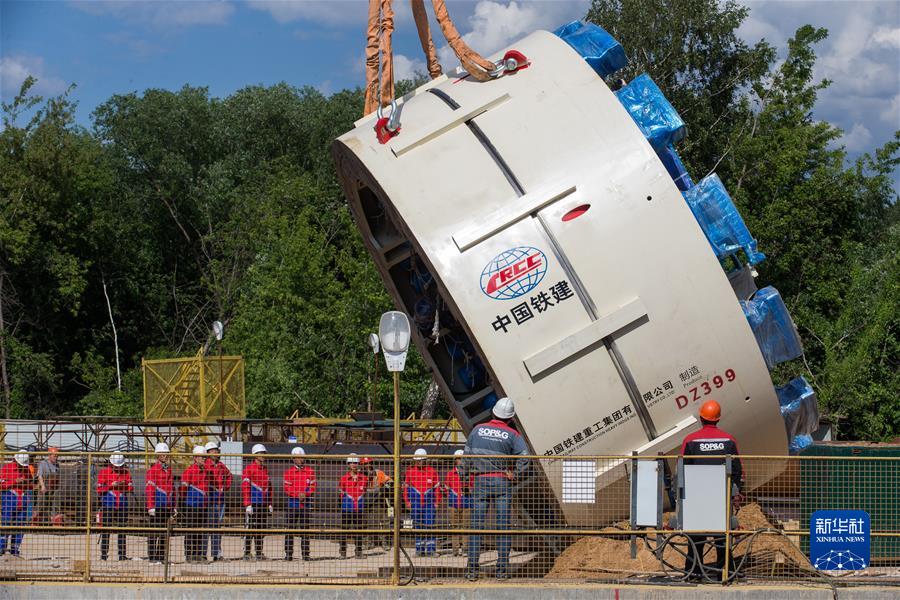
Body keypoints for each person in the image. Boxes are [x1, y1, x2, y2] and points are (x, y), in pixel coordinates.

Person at [463, 397, 529, 580]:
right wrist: (515, 473)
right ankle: (501, 572)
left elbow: (466, 457)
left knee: (476, 528)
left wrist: (464, 479)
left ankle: (472, 571)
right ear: (510, 418)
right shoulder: (513, 435)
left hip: (480, 481)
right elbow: (525, 457)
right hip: (501, 482)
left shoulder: (477, 430)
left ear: (493, 412)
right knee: (503, 528)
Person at [679, 399, 743, 580]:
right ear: (718, 418)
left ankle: (693, 574)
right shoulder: (728, 440)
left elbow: (681, 470)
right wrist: (736, 494)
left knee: (695, 540)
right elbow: (738, 470)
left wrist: (681, 498)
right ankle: (725, 574)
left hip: (697, 501)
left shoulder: (690, 440)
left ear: (701, 418)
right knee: (722, 540)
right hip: (720, 501)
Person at [403, 448, 441, 556]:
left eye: (421, 460)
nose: (419, 462)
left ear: (425, 460)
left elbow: (437, 488)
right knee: (418, 526)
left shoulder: (432, 472)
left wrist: (437, 502)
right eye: (417, 461)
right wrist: (407, 502)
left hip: (429, 504)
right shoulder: (410, 472)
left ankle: (431, 550)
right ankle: (419, 550)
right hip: (415, 504)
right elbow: (406, 488)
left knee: (429, 526)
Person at [96, 453, 133, 561]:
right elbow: (99, 489)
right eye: (116, 466)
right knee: (106, 530)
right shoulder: (104, 472)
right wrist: (111, 485)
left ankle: (122, 555)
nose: (118, 468)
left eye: (120, 466)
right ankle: (104, 554)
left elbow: (131, 488)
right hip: (108, 505)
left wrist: (123, 485)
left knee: (122, 531)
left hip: (122, 505)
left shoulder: (126, 473)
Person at [283, 446, 316, 561]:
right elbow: (287, 488)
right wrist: (297, 494)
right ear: (293, 459)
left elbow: (313, 486)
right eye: (297, 457)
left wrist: (306, 494)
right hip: (292, 505)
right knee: (290, 530)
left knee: (305, 530)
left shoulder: (310, 472)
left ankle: (306, 554)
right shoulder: (289, 472)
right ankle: (288, 554)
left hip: (305, 506)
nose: (300, 459)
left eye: (301, 457)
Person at [145, 442, 175, 565]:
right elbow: (150, 489)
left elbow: (172, 489)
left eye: (166, 454)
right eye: (162, 454)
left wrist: (173, 506)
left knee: (164, 533)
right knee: (154, 532)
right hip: (157, 506)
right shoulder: (153, 471)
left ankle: (161, 557)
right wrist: (150, 506)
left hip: (166, 506)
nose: (165, 456)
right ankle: (152, 557)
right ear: (157, 455)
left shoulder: (168, 470)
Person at [242, 443, 272, 561]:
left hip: (263, 504)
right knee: (250, 528)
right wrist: (248, 504)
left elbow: (269, 488)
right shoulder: (249, 469)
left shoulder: (265, 470)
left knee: (261, 528)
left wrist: (269, 503)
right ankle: (247, 553)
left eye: (264, 453)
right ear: (255, 455)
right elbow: (245, 487)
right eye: (261, 453)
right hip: (253, 503)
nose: (263, 455)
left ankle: (259, 553)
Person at [0, 453, 33, 557]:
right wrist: (15, 481)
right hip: (9, 498)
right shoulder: (7, 468)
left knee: (20, 525)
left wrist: (27, 485)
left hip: (22, 499)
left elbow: (30, 484)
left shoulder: (26, 469)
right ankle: (1, 549)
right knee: (6, 524)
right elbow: (1, 484)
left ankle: (14, 550)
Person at [203, 440, 232, 561]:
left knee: (217, 527)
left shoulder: (221, 465)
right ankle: (203, 554)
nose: (215, 453)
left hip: (220, 500)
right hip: (209, 501)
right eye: (213, 451)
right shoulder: (205, 466)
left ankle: (216, 553)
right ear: (207, 453)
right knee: (206, 527)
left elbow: (229, 476)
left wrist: (225, 487)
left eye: (216, 451)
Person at [180, 446, 208, 563]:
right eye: (202, 457)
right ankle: (189, 555)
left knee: (199, 530)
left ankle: (198, 554)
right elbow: (183, 489)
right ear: (195, 458)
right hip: (191, 505)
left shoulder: (205, 472)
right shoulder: (189, 471)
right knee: (190, 530)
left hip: (202, 505)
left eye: (205, 457)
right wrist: (183, 503)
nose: (204, 459)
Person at [338, 454, 368, 559]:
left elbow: (364, 491)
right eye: (351, 463)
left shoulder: (364, 478)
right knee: (344, 530)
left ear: (358, 464)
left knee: (358, 530)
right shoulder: (344, 479)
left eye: (355, 463)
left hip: (359, 508)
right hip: (346, 508)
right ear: (348, 464)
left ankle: (358, 552)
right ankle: (343, 552)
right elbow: (341, 493)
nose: (353, 465)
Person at [444, 449, 472, 557]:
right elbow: (446, 488)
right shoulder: (450, 473)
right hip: (453, 504)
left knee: (466, 527)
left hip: (466, 504)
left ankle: (465, 549)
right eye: (459, 459)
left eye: (462, 459)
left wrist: (467, 489)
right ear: (455, 460)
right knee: (454, 527)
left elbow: (473, 487)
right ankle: (455, 550)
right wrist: (451, 497)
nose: (460, 461)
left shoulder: (469, 474)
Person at [361, 457, 392, 550]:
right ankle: (367, 543)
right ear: (362, 465)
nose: (368, 465)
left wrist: (385, 487)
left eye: (369, 463)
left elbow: (390, 481)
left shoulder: (379, 473)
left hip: (378, 501)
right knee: (365, 522)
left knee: (383, 522)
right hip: (364, 501)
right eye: (365, 464)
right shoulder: (360, 475)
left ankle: (384, 542)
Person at [36, 448, 60, 525]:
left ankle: (54, 521)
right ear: (49, 455)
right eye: (54, 456)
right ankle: (36, 522)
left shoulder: (57, 465)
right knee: (41, 504)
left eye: (57, 456)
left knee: (54, 505)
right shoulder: (43, 463)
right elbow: (39, 475)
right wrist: (43, 486)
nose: (56, 457)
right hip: (44, 488)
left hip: (53, 488)